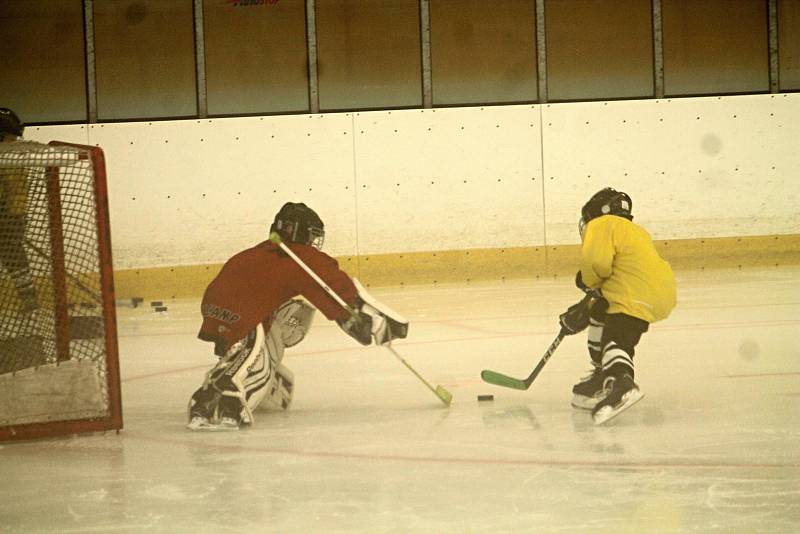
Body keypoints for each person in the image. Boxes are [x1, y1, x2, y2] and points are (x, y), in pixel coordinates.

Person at [187, 202, 407, 431]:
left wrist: (347, 317)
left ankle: (238, 365)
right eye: (312, 235)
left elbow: (319, 289)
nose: (313, 242)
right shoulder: (300, 256)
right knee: (259, 366)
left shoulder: (261, 253)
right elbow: (333, 285)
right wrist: (369, 318)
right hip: (243, 312)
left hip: (215, 308)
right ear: (297, 231)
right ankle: (222, 396)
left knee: (286, 332)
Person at [558, 187, 676, 424]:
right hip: (656, 291)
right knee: (601, 312)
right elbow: (619, 275)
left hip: (634, 295)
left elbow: (597, 264)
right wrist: (587, 305)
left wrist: (587, 282)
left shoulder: (602, 225)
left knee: (616, 339)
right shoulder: (634, 231)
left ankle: (621, 383)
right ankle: (603, 377)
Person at [0, 107, 38, 316]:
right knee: (15, 258)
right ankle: (30, 300)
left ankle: (30, 300)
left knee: (15, 258)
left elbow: (16, 193)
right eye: (10, 137)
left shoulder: (10, 158)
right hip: (10, 217)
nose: (13, 141)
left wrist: (15, 219)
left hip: (8, 218)